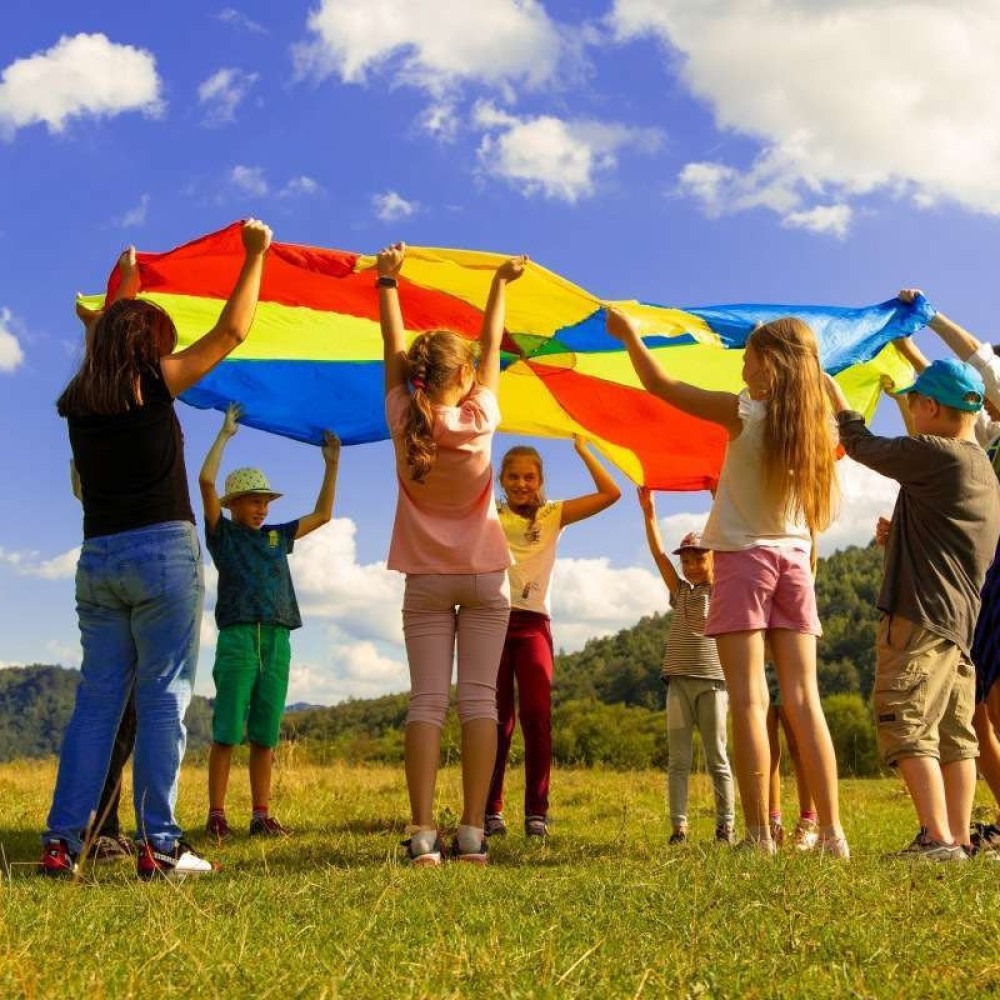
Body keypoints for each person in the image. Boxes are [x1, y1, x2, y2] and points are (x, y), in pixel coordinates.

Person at [40, 218, 273, 880]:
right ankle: (161, 845)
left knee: (97, 702)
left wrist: (126, 285)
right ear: (147, 345)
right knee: (164, 698)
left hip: (99, 561)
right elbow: (232, 331)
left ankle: (62, 843)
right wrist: (254, 256)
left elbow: (103, 344)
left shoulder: (80, 399)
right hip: (162, 556)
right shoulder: (154, 383)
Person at [607, 309, 848, 856]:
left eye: (749, 355)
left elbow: (660, 384)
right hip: (794, 561)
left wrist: (631, 337)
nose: (741, 362)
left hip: (743, 559)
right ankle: (833, 834)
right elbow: (831, 396)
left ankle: (760, 835)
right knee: (807, 700)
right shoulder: (821, 428)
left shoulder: (743, 412)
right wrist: (818, 376)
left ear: (769, 365)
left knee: (747, 699)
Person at [378, 241, 524, 865]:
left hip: (425, 582)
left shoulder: (402, 417)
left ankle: (420, 833)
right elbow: (494, 346)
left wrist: (388, 282)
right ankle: (470, 831)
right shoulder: (482, 417)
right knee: (480, 703)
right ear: (464, 378)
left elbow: (391, 350)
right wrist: (500, 283)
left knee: (427, 703)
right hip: (486, 578)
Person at [826, 346, 1000, 861]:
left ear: (931, 407)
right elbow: (950, 540)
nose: (914, 411)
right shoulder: (982, 471)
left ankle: (936, 837)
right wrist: (899, 533)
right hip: (958, 625)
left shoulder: (936, 454)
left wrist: (834, 394)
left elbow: (860, 443)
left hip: (920, 615)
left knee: (907, 719)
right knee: (954, 735)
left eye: (916, 401)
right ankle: (960, 838)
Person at [885, 292, 1000, 852]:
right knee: (966, 718)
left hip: (946, 598)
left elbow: (975, 366)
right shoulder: (981, 454)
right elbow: (959, 386)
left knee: (927, 714)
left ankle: (942, 834)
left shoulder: (957, 451)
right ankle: (954, 834)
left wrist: (927, 321)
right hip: (971, 594)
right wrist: (906, 344)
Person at [200, 404, 341, 840]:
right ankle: (217, 815)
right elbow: (206, 482)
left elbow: (323, 515)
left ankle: (261, 814)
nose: (261, 508)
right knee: (226, 731)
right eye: (254, 501)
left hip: (278, 639)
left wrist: (331, 465)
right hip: (239, 638)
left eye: (265, 501)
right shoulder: (222, 535)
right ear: (235, 505)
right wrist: (224, 436)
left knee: (265, 734)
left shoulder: (277, 536)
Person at [484, 439, 621, 839]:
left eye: (529, 476)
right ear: (501, 479)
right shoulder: (489, 512)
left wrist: (583, 449)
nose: (521, 483)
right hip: (492, 621)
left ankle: (536, 814)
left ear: (541, 479)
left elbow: (611, 494)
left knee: (537, 718)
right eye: (513, 476)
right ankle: (491, 810)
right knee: (496, 722)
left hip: (533, 625)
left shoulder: (552, 514)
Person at [637, 488, 734, 846]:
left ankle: (725, 826)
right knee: (678, 760)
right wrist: (649, 514)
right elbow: (659, 555)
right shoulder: (680, 592)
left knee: (717, 757)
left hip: (712, 684)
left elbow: (729, 540)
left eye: (699, 558)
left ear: (714, 559)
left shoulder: (723, 588)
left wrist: (719, 498)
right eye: (687, 561)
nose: (692, 565)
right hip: (678, 684)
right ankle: (679, 827)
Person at [765, 660, 818, 850]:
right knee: (766, 752)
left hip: (788, 663)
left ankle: (807, 823)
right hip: (758, 666)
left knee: (798, 747)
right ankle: (772, 825)